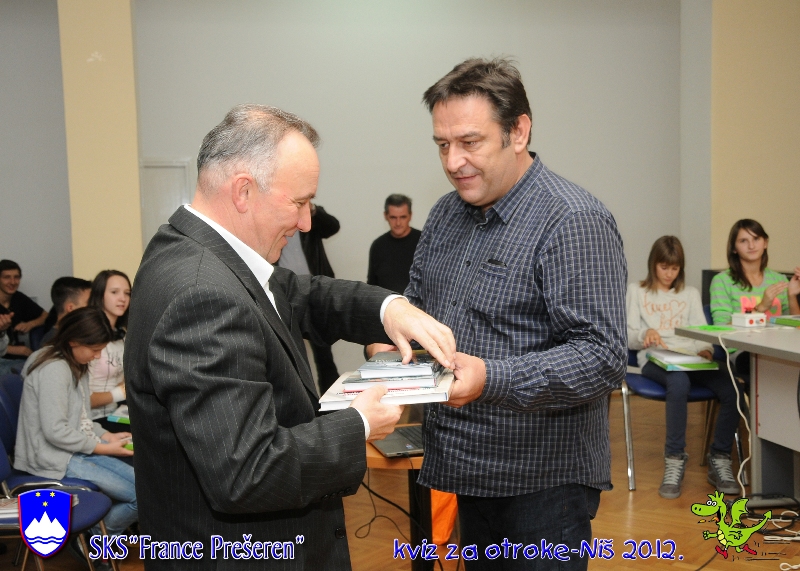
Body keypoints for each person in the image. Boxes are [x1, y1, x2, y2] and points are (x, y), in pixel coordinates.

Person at [124, 104, 455, 571]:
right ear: (243, 191)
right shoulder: (202, 293)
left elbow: (302, 293)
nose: (305, 223)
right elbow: (248, 470)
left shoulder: (198, 253)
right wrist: (359, 423)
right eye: (299, 203)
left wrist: (390, 308)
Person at [405, 58, 627, 569]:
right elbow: (418, 302)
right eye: (442, 145)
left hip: (542, 487)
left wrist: (491, 378)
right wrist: (397, 335)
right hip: (467, 471)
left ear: (519, 131)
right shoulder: (445, 214)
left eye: (470, 142)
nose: (453, 161)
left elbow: (601, 356)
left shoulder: (573, 219)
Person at [627, 236, 742, 499]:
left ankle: (720, 456)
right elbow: (630, 336)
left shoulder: (689, 294)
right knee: (679, 382)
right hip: (654, 358)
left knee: (732, 387)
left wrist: (706, 349)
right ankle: (674, 458)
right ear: (653, 264)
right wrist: (646, 333)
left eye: (675, 268)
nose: (669, 274)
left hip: (691, 358)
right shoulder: (637, 290)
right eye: (664, 267)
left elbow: (702, 333)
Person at [14, 307, 137, 543]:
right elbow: (56, 431)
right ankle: (94, 538)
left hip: (73, 450)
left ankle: (94, 534)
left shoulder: (74, 363)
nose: (98, 356)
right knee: (140, 497)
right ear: (73, 341)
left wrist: (105, 436)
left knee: (144, 489)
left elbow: (81, 417)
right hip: (53, 458)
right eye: (95, 350)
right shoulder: (54, 369)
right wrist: (102, 447)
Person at [710, 219, 800, 383]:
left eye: (756, 239)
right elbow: (721, 328)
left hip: (781, 349)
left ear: (765, 243)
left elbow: (796, 327)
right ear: (734, 248)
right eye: (743, 241)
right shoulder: (722, 281)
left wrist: (792, 296)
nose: (751, 246)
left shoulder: (779, 279)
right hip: (744, 352)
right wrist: (760, 307)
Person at [278, 203, 342, 392]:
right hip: (283, 295)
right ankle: (304, 406)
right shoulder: (272, 219)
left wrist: (312, 209)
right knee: (290, 358)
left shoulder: (308, 219)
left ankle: (332, 404)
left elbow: (332, 227)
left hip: (314, 295)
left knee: (324, 357)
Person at [87, 270, 130, 431]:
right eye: (114, 292)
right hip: (93, 420)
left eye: (127, 293)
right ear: (100, 296)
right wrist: (122, 392)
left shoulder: (122, 335)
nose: (122, 298)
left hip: (117, 412)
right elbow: (81, 398)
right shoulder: (88, 337)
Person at [367, 194, 422, 294]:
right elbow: (371, 285)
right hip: (386, 302)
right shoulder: (378, 246)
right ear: (385, 216)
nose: (398, 223)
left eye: (403, 217)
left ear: (410, 216)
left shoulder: (424, 242)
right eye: (393, 217)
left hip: (418, 303)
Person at [0, 259, 48, 360]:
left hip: (18, 359)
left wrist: (30, 324)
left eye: (16, 277)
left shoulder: (18, 298)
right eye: (7, 277)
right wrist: (14, 350)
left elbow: (46, 316)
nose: (13, 282)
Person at [40, 276, 92, 345]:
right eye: (88, 302)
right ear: (70, 308)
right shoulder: (53, 342)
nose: (93, 306)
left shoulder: (85, 332)